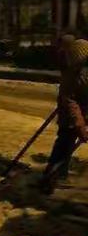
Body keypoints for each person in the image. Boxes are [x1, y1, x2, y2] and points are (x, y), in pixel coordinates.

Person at [41, 36, 88, 194]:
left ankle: (58, 174)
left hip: (81, 106)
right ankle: (51, 176)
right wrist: (81, 127)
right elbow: (70, 102)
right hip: (70, 109)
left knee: (67, 140)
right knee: (65, 140)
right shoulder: (71, 75)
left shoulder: (81, 69)